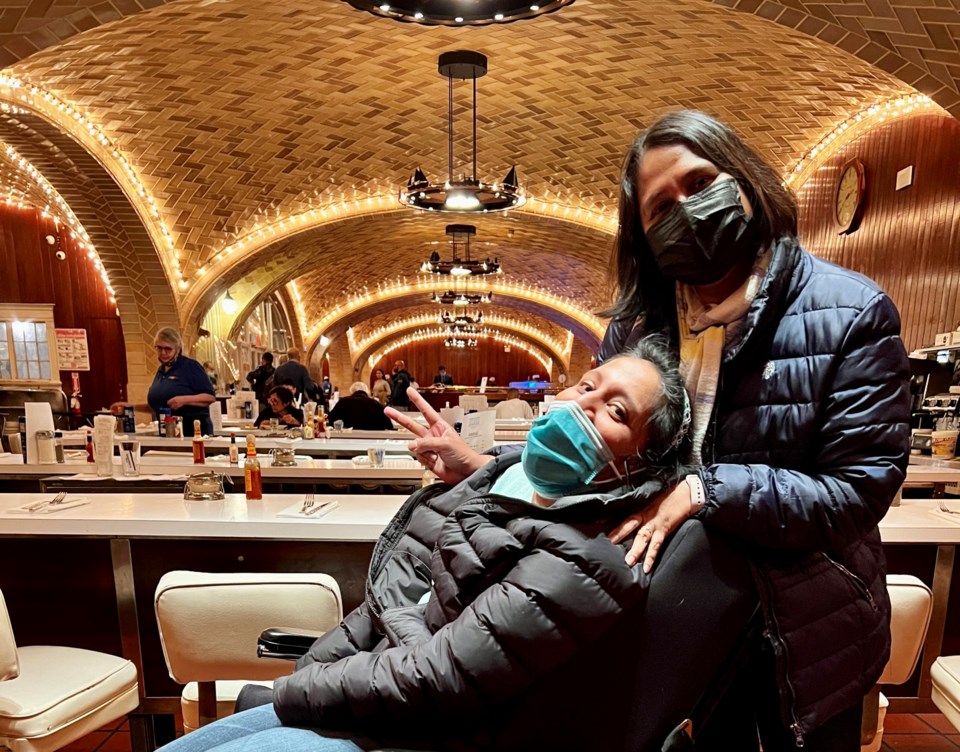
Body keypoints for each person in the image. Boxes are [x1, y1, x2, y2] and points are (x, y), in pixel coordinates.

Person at [158, 338, 751, 752]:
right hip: (384, 695)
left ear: (638, 460)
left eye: (614, 411)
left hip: (426, 731)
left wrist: (299, 689)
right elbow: (414, 600)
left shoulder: (591, 556)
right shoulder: (510, 481)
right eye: (586, 386)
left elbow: (439, 676)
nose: (581, 408)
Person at [590, 110, 910, 750]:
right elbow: (600, 448)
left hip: (806, 634)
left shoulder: (851, 310)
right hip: (675, 623)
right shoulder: (635, 328)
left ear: (744, 180)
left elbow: (858, 491)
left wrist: (709, 491)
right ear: (644, 236)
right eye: (660, 207)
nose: (687, 208)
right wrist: (501, 468)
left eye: (700, 180)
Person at [113, 327, 216, 437]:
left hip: (192, 432)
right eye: (159, 348)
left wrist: (185, 400)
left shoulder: (190, 366)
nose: (163, 353)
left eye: (168, 349)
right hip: (167, 432)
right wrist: (129, 407)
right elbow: (157, 405)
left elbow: (210, 397)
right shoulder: (161, 371)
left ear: (177, 349)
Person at [326, 382, 392, 430]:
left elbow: (331, 419)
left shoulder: (343, 402)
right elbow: (388, 426)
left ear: (351, 392)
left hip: (347, 441)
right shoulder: (376, 404)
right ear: (367, 392)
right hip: (372, 442)